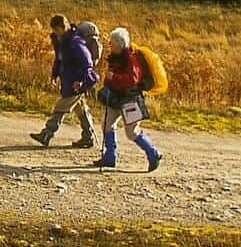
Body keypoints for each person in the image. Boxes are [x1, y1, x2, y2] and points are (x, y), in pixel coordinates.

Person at [94, 26, 162, 172]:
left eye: (111, 43)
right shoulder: (116, 56)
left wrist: (114, 78)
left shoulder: (131, 59)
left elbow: (132, 79)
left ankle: (153, 153)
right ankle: (110, 157)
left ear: (119, 45)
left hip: (131, 100)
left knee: (132, 132)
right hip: (115, 98)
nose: (109, 45)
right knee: (107, 124)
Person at [28, 14, 97, 149]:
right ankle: (88, 136)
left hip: (75, 82)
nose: (54, 32)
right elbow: (59, 59)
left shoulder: (75, 42)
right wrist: (54, 74)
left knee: (60, 107)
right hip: (70, 80)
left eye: (56, 29)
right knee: (81, 110)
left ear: (63, 27)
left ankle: (47, 134)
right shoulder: (62, 41)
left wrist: (80, 80)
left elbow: (87, 62)